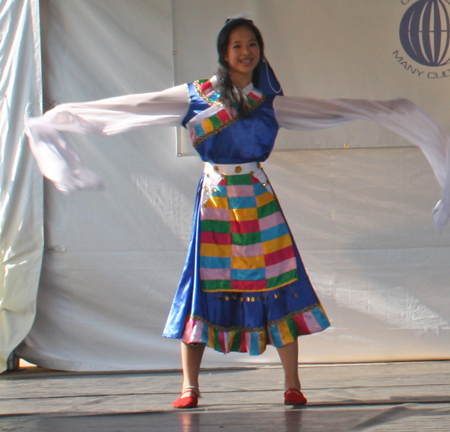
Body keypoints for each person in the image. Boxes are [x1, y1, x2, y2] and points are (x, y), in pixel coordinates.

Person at [25, 18, 450, 409]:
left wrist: (392, 112)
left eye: (251, 45)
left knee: (280, 280)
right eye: (236, 45)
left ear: (260, 52)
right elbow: (138, 106)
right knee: (203, 284)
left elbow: (332, 109)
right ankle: (190, 386)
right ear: (223, 53)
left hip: (259, 203)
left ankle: (292, 383)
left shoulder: (268, 103)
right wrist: (63, 120)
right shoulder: (195, 97)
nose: (244, 52)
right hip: (216, 204)